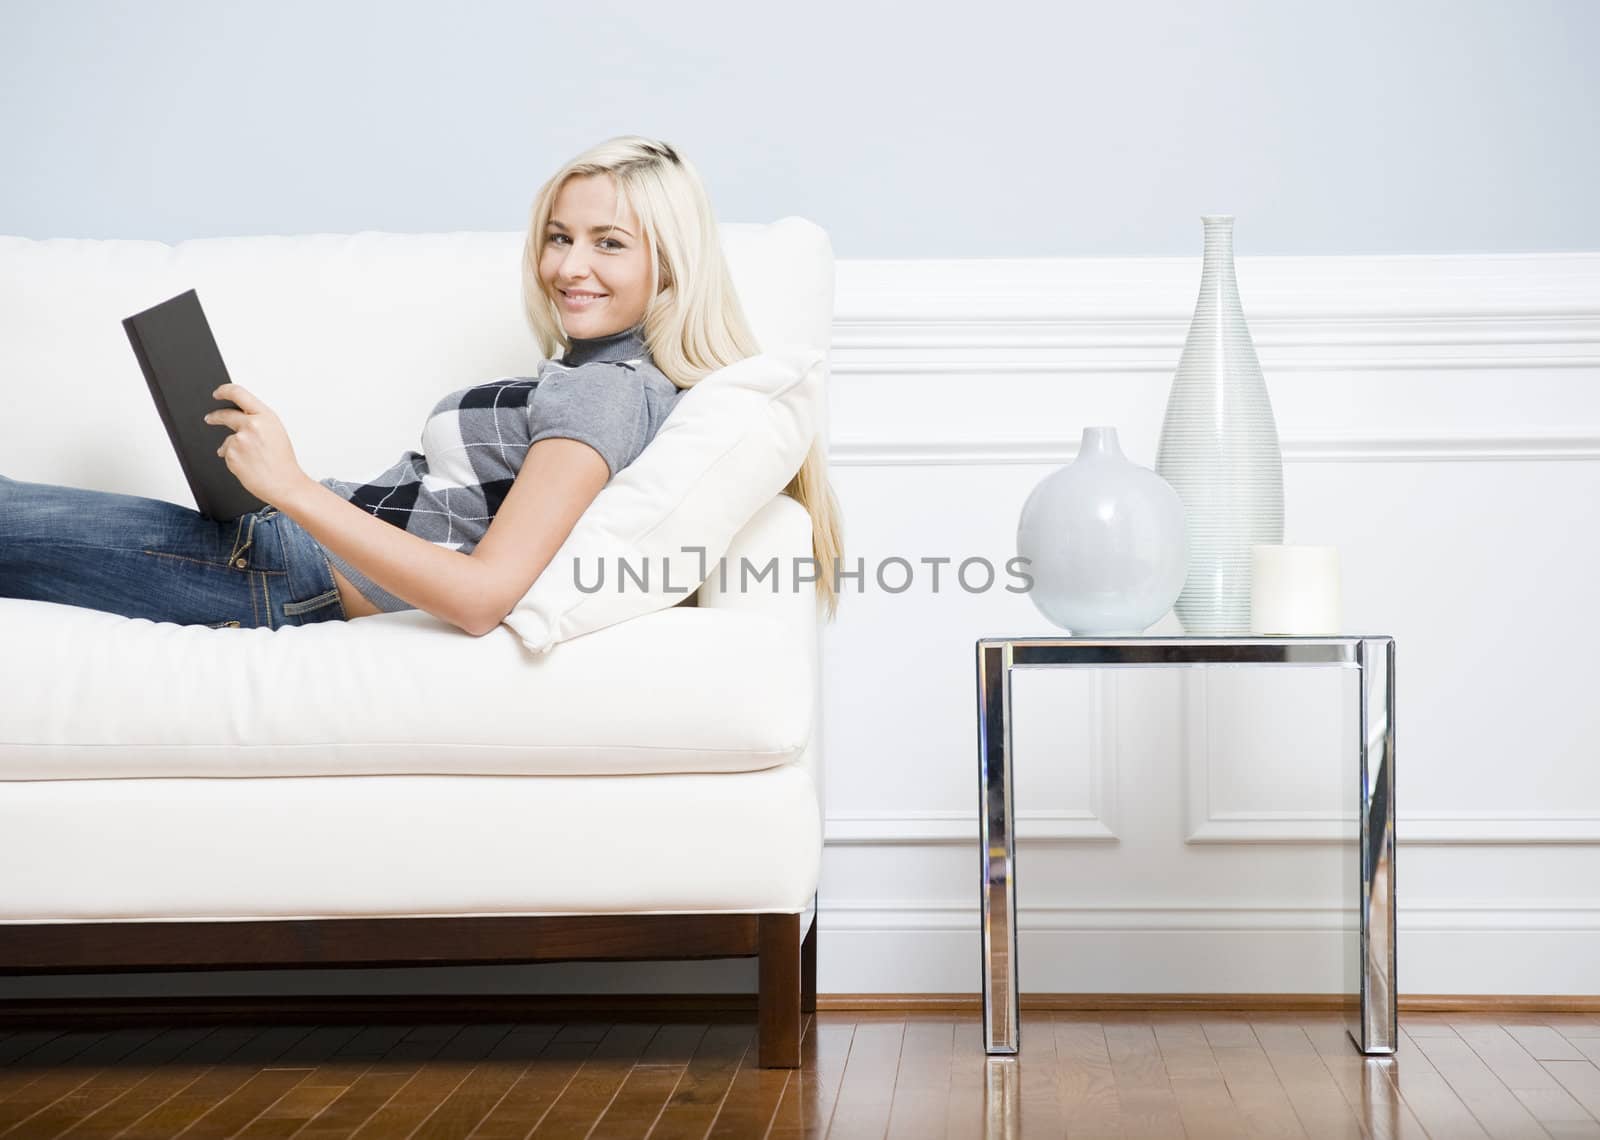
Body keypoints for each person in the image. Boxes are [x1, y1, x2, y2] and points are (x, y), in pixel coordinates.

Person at [0, 136, 843, 636]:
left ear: (670, 266)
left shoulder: (608, 392)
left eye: (608, 243)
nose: (569, 266)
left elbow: (481, 597)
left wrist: (289, 489)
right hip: (281, 552)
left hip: (285, 572)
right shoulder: (601, 376)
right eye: (558, 237)